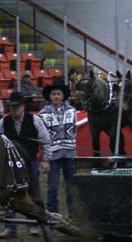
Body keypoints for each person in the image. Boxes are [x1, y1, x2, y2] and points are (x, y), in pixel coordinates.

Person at [0, 92, 52, 238]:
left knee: (33, 192)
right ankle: (10, 227)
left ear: (23, 106)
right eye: (12, 107)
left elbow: (45, 140)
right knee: (9, 194)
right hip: (10, 164)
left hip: (30, 162)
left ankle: (33, 224)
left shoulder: (35, 120)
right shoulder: (3, 123)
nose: (14, 109)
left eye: (17, 106)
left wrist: (45, 160)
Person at [38, 78, 77, 217]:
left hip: (69, 154)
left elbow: (74, 130)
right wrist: (44, 158)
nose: (56, 96)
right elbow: (41, 137)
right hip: (52, 156)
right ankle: (53, 214)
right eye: (53, 94)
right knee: (52, 187)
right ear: (49, 96)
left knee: (71, 186)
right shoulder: (42, 114)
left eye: (58, 94)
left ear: (63, 96)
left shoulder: (72, 111)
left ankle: (73, 214)